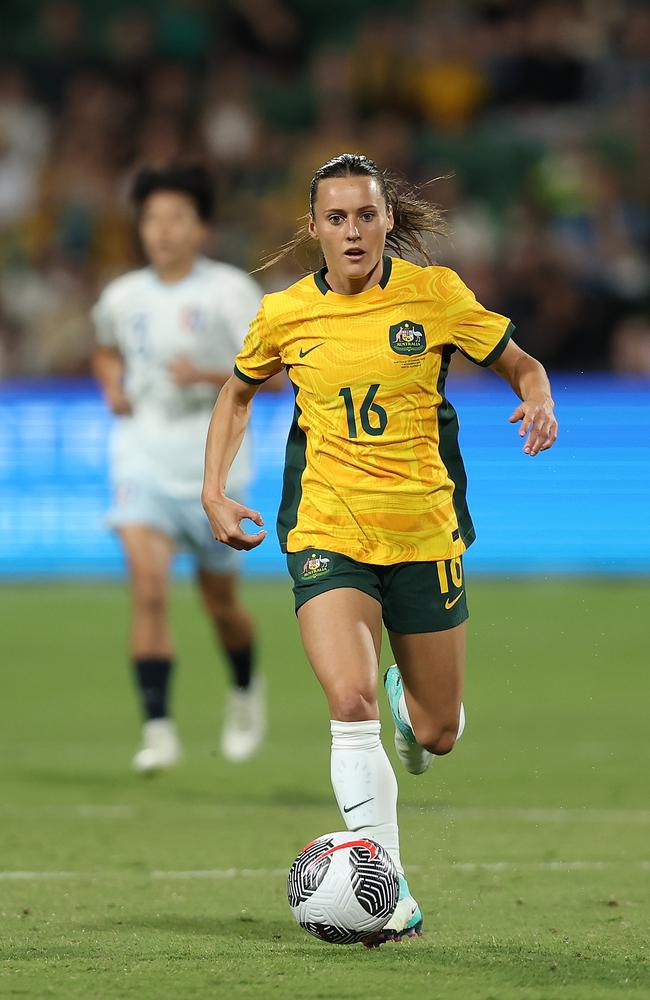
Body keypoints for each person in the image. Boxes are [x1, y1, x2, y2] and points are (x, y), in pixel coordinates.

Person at [201, 153, 558, 944]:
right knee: (349, 703)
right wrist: (214, 489)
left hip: (425, 533)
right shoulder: (285, 313)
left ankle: (415, 704)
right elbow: (236, 391)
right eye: (336, 218)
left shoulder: (436, 296)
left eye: (366, 215)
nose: (352, 231)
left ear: (388, 219)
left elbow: (518, 362)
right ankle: (387, 893)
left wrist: (537, 399)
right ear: (315, 227)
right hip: (328, 532)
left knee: (438, 732)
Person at [93, 163, 268, 774]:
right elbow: (105, 347)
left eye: (176, 218)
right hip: (140, 455)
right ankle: (159, 729)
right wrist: (112, 383)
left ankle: (245, 689)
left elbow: (272, 371)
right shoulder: (122, 297)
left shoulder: (231, 293)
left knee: (220, 603)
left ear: (201, 228)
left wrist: (207, 375)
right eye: (151, 219)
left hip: (214, 468)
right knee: (148, 588)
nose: (161, 231)